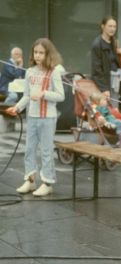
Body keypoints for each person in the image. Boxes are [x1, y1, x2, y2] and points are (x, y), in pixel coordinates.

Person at [6, 38, 64, 196]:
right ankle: (30, 180)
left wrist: (44, 94)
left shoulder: (55, 72)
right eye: (35, 52)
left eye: (41, 53)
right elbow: (26, 95)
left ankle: (47, 182)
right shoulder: (30, 72)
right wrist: (17, 107)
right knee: (29, 149)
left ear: (48, 54)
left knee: (46, 151)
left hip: (48, 118)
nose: (38, 55)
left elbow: (61, 96)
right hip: (32, 116)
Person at [91, 16, 121, 109]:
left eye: (114, 26)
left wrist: (120, 54)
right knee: (107, 111)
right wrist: (104, 88)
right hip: (105, 83)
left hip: (115, 81)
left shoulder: (113, 41)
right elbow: (96, 69)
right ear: (103, 26)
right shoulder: (97, 44)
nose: (112, 29)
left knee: (115, 109)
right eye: (110, 26)